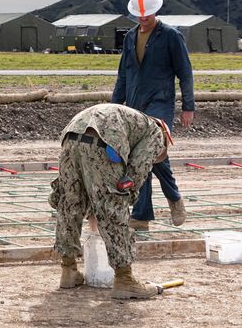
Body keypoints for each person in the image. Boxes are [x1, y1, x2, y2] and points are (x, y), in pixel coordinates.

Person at [50, 103, 172, 299]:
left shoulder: (132, 120)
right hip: (103, 141)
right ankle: (125, 279)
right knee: (113, 206)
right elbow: (138, 168)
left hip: (71, 137)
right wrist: (126, 193)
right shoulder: (155, 132)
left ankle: (68, 270)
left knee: (69, 201)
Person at [111, 0, 195, 231]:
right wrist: (114, 107)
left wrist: (188, 106)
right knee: (141, 159)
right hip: (135, 106)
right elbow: (123, 76)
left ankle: (170, 199)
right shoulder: (130, 37)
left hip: (160, 104)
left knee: (150, 154)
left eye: (146, 15)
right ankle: (144, 214)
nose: (142, 18)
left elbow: (185, 73)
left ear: (155, 11)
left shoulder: (170, 36)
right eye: (139, 15)